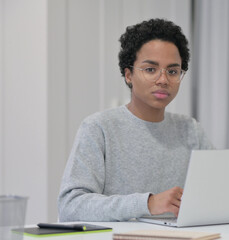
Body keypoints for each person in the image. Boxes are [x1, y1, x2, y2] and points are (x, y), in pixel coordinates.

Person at [58, 18, 214, 222]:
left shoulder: (190, 130)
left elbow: (218, 191)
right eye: (150, 69)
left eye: (173, 71)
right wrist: (147, 204)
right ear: (129, 75)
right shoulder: (99, 128)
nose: (163, 80)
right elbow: (70, 206)